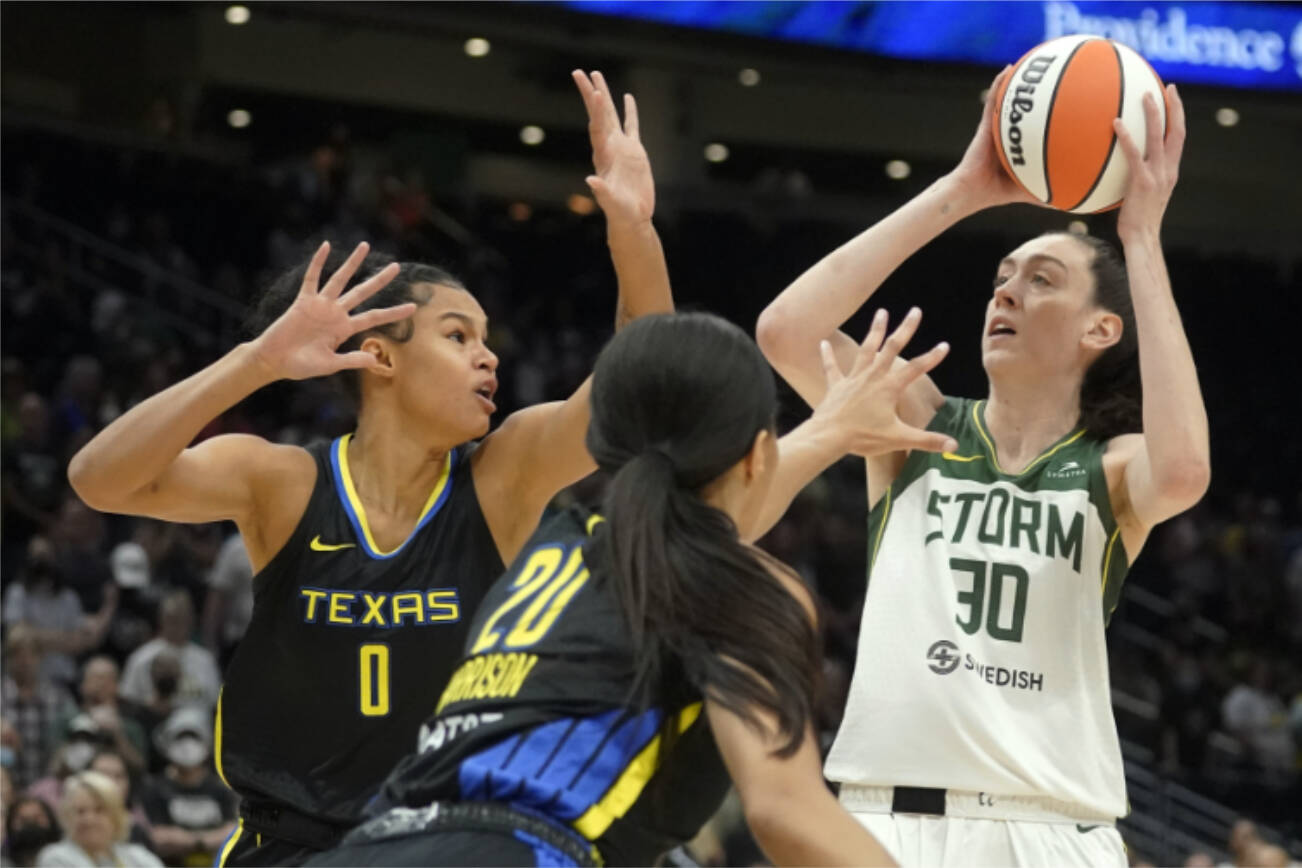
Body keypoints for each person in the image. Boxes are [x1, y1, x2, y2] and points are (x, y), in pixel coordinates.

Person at [68, 70, 674, 866]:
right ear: (381, 355)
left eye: (488, 339)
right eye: (460, 336)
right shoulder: (283, 483)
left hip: (442, 845)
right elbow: (99, 479)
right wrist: (255, 362)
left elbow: (645, 381)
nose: (489, 358)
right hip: (287, 848)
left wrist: (632, 229)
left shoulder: (503, 476)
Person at [756, 66, 1210, 867]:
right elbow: (788, 330)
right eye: (1001, 281)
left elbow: (1181, 472)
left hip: (1051, 825)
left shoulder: (1109, 471)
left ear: (1100, 331)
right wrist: (965, 188)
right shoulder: (912, 424)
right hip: (884, 819)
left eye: (1041, 281)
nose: (1005, 295)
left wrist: (1141, 238)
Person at [308, 309, 952, 867]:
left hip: (366, 843)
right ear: (758, 454)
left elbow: (705, 518)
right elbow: (788, 815)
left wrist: (831, 429)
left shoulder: (556, 543)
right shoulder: (749, 586)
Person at [140, 708, 236, 867]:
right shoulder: (155, 789)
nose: (187, 745)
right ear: (168, 742)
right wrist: (210, 840)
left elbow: (231, 834)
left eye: (193, 737)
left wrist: (190, 841)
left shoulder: (221, 788)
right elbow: (158, 838)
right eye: (180, 737)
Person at [118, 591, 220, 711]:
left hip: (194, 721)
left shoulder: (205, 660)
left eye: (182, 618)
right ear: (161, 619)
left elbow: (214, 701)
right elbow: (128, 698)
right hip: (150, 719)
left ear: (191, 620)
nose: (177, 625)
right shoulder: (141, 657)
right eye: (172, 618)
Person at [34, 771, 161, 868]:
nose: (89, 819)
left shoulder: (138, 856)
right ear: (66, 817)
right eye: (80, 811)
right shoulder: (54, 858)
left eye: (99, 810)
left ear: (116, 816)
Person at [1, 628, 76, 791]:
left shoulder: (59, 696)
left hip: (49, 786)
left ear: (40, 657)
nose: (24, 661)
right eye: (17, 655)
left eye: (30, 654)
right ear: (8, 658)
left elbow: (76, 735)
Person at [4, 797, 60, 868]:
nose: (30, 824)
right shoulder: (3, 862)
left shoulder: (65, 857)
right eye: (24, 820)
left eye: (36, 818)